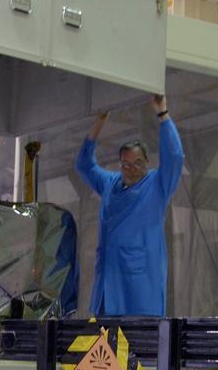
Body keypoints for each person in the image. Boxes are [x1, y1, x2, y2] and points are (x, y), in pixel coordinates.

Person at [75, 93, 184, 317]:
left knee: (140, 349)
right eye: (125, 164)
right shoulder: (109, 183)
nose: (131, 168)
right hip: (107, 288)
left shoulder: (157, 185)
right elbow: (84, 164)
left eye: (137, 163)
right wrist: (100, 121)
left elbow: (174, 156)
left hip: (140, 293)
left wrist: (163, 114)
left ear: (147, 162)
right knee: (103, 350)